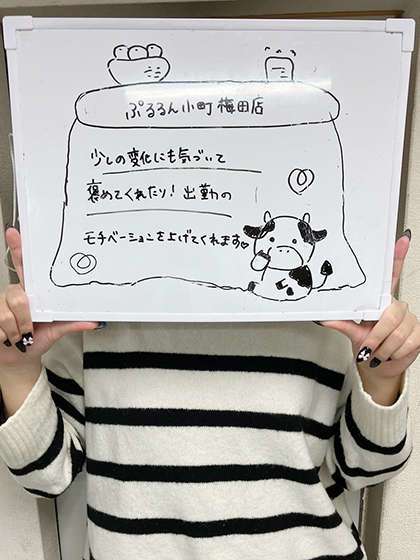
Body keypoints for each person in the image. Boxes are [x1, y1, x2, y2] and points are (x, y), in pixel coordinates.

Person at [0, 225, 418, 560]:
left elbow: (367, 468)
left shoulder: (322, 303)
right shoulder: (94, 305)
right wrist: (16, 367)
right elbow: (45, 474)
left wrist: (382, 375)